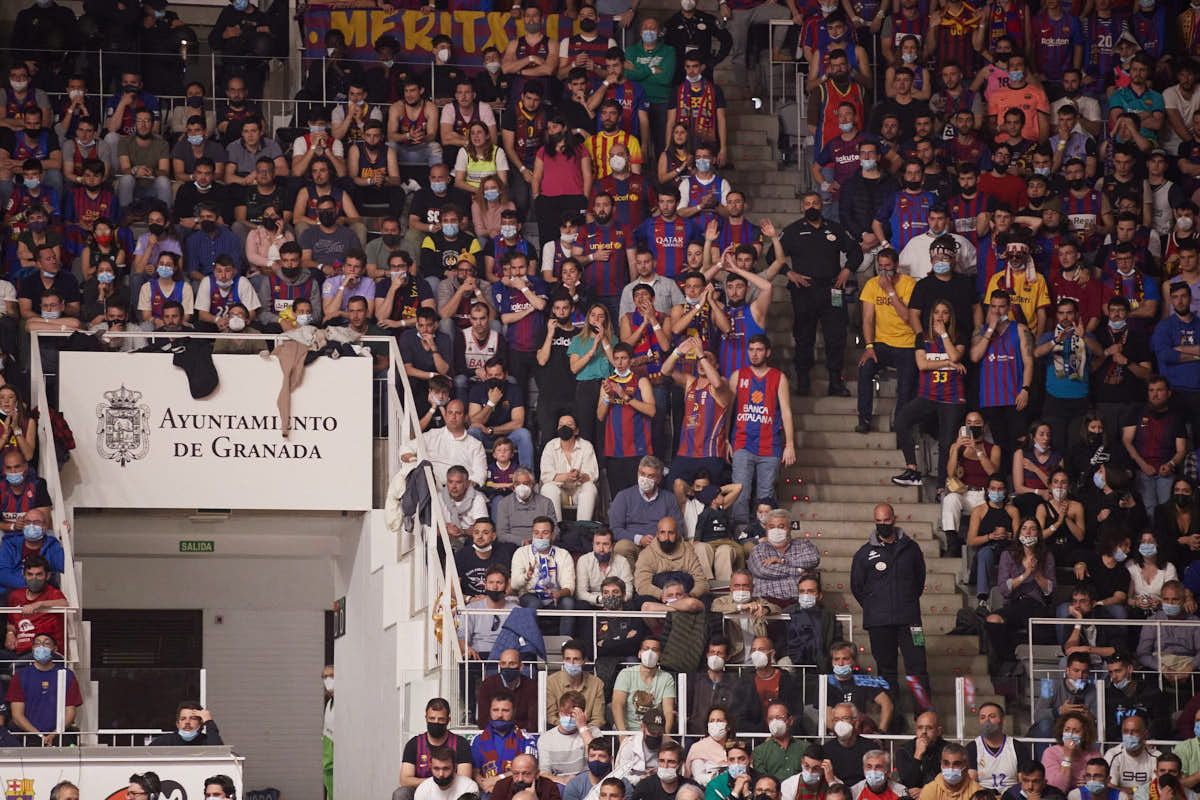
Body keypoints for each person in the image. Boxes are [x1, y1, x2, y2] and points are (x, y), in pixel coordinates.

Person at [850, 504, 932, 708]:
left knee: (919, 666)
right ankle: (892, 716)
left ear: (894, 519)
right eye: (878, 521)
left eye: (886, 521)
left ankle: (922, 712)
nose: (882, 525)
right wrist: (874, 606)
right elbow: (857, 587)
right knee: (886, 669)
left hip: (912, 621)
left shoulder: (912, 548)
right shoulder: (864, 553)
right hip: (878, 623)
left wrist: (907, 602)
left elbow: (919, 581)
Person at [781, 193, 862, 396]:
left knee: (836, 337)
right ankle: (803, 383)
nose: (811, 207)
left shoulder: (835, 228)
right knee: (804, 338)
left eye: (815, 203)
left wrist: (846, 270)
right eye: (807, 204)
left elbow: (856, 252)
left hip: (832, 289)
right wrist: (789, 273)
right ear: (802, 207)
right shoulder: (792, 231)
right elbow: (773, 255)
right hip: (804, 291)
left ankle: (836, 382)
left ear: (821, 206)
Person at [727, 336, 795, 524]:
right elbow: (727, 411)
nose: (754, 354)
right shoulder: (738, 376)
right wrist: (725, 439)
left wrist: (789, 445)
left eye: (758, 350)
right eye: (751, 350)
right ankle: (741, 534)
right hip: (742, 442)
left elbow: (786, 413)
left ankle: (765, 536)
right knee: (739, 494)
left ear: (767, 352)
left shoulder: (778, 377)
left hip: (770, 445)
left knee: (765, 498)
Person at [856, 248, 917, 434]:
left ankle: (900, 424)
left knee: (906, 385)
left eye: (887, 266)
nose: (883, 271)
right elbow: (867, 319)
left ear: (896, 265)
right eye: (880, 266)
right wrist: (868, 346)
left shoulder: (909, 284)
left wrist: (890, 291)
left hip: (907, 344)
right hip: (882, 343)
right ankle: (864, 418)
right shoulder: (871, 284)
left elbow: (907, 317)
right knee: (865, 368)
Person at [4, 631, 81, 746]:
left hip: (59, 737)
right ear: (32, 649)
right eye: (37, 644)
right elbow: (17, 715)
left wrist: (54, 734)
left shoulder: (67, 675)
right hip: (27, 738)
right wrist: (39, 735)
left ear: (54, 649)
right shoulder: (20, 676)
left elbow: (70, 711)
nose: (41, 647)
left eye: (46, 643)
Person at [1122, 376, 1186, 512]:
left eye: (1159, 390)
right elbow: (1127, 441)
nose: (1154, 394)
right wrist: (1142, 464)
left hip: (1166, 470)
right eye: (1151, 390)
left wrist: (1170, 465)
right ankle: (1150, 533)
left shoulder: (1176, 417)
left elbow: (1181, 450)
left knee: (1166, 507)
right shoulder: (1136, 411)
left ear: (1168, 393)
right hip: (1142, 469)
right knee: (1148, 508)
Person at [396, 699, 474, 800]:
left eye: (441, 719)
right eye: (432, 718)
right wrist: (434, 782)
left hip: (453, 793)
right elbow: (404, 780)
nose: (436, 722)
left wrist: (443, 783)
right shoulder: (414, 744)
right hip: (421, 792)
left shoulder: (461, 744)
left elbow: (464, 778)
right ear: (426, 718)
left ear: (448, 720)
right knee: (401, 793)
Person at [510, 516, 576, 635]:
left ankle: (565, 644)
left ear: (553, 535)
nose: (540, 537)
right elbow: (514, 585)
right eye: (536, 533)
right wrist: (527, 577)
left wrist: (558, 594)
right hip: (529, 594)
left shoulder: (563, 554)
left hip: (556, 595)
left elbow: (569, 586)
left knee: (568, 602)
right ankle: (532, 643)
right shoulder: (521, 552)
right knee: (534, 604)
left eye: (545, 533)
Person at [1135, 579, 1200, 677]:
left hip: (1188, 665)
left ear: (1183, 601)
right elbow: (1142, 653)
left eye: (1175, 599)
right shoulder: (1152, 621)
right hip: (1160, 664)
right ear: (1161, 599)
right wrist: (1162, 668)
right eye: (1166, 599)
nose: (1170, 603)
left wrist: (1190, 667)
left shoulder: (1194, 622)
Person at [541, 416, 600, 522]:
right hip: (560, 491)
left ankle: (583, 529)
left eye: (569, 425)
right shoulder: (550, 446)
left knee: (590, 488)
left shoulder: (586, 446)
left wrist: (579, 476)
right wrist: (566, 477)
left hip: (579, 490)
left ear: (576, 430)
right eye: (561, 425)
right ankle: (556, 529)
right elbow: (546, 476)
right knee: (547, 488)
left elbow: (592, 475)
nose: (564, 427)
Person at [612, 637, 677, 732]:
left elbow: (668, 711)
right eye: (646, 649)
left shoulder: (666, 678)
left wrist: (665, 736)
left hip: (654, 732)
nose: (650, 653)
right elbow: (617, 704)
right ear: (639, 653)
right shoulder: (626, 674)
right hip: (627, 730)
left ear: (660, 656)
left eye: (654, 650)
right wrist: (623, 734)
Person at [1040, 713, 1101, 793]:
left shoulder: (1094, 755)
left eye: (1076, 731)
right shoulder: (1050, 753)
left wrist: (1090, 784)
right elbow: (1057, 789)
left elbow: (1101, 784)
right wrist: (1067, 757)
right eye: (1067, 730)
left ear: (1085, 735)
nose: (1071, 734)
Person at [751, 702, 808, 781]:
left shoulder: (805, 748)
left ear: (790, 720)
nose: (774, 722)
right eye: (770, 718)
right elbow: (762, 781)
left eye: (779, 718)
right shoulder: (760, 751)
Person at [1104, 715, 1160, 790]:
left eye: (1135, 731)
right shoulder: (1112, 754)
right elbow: (1110, 786)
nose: (1129, 735)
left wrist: (1134, 792)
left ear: (1145, 734)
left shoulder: (1156, 756)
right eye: (1126, 731)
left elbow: (1157, 788)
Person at [897, 712, 948, 794]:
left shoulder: (948, 750)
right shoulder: (903, 750)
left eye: (929, 728)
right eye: (920, 728)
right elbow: (908, 784)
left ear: (938, 731)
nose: (924, 732)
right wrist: (917, 755)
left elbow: (951, 783)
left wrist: (927, 792)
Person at [148, 701, 223, 745]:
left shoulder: (207, 741)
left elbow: (220, 753)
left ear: (200, 723)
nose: (187, 722)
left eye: (193, 718)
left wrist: (208, 721)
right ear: (177, 724)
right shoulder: (165, 741)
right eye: (183, 719)